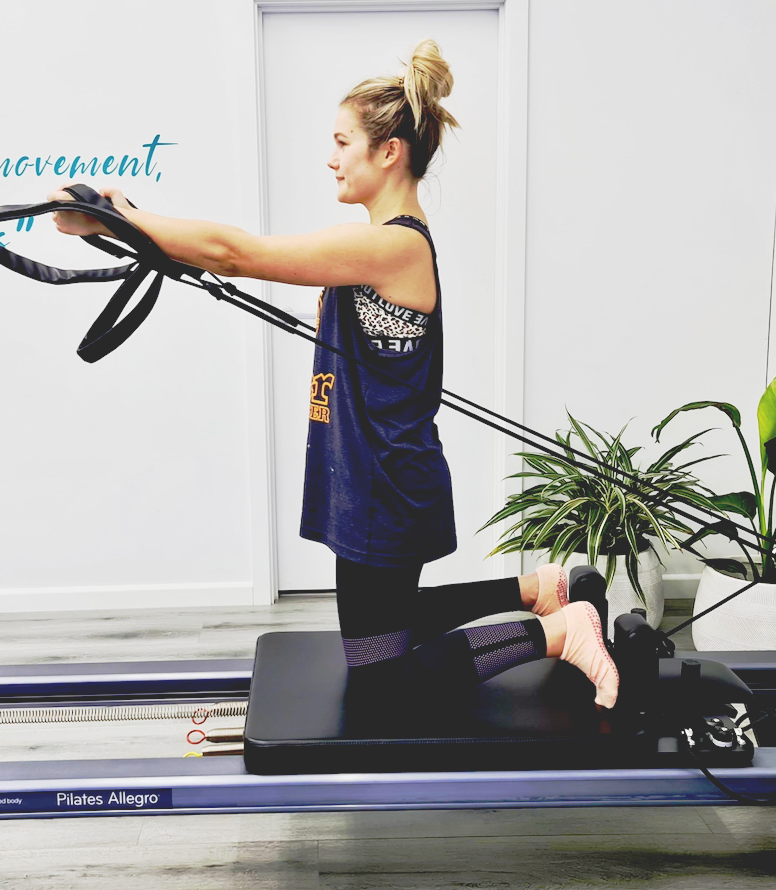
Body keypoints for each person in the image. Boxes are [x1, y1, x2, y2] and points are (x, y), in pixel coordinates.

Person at [48, 40, 618, 709]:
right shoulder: (377, 244)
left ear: (388, 152)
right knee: (388, 626)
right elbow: (214, 257)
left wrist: (123, 216)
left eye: (342, 141)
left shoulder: (393, 245)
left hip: (386, 482)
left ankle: (558, 630)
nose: (331, 156)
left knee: (381, 673)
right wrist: (117, 222)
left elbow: (234, 254)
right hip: (374, 474)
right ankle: (536, 589)